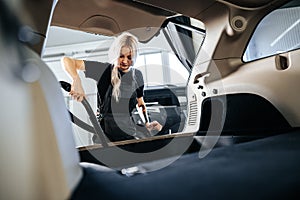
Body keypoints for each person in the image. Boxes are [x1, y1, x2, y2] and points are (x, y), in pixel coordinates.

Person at [62, 32, 162, 142]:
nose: (125, 61)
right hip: (104, 135)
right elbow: (67, 61)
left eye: (129, 57)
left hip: (128, 132)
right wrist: (76, 80)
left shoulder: (137, 75)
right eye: (121, 56)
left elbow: (140, 103)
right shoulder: (103, 70)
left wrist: (147, 123)